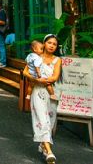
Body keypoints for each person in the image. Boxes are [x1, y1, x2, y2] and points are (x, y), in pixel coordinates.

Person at [23, 34, 62, 164]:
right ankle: (49, 153)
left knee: (50, 121)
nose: (51, 45)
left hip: (51, 92)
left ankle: (43, 146)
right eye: (49, 42)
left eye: (54, 44)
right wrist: (35, 79)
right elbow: (25, 72)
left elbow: (55, 77)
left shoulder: (57, 60)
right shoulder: (35, 57)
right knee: (42, 120)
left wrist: (45, 80)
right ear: (44, 43)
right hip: (38, 91)